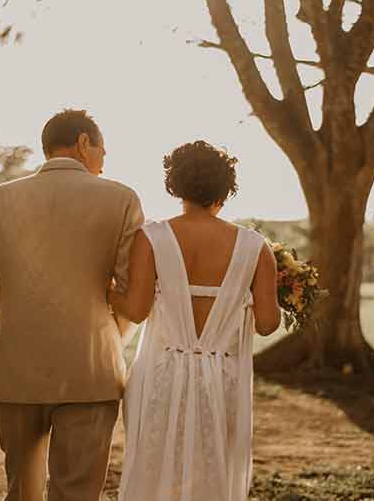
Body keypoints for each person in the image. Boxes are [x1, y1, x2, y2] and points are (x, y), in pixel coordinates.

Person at [0, 109, 144, 501]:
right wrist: (108, 338)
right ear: (84, 143)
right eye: (103, 150)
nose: (104, 163)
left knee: (21, 492)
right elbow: (129, 291)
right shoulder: (122, 199)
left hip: (16, 373)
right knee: (77, 494)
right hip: (91, 371)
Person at [109, 140, 281, 501]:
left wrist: (105, 288)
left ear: (176, 185)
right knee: (210, 475)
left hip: (161, 373)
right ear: (225, 188)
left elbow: (136, 311)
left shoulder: (152, 237)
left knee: (157, 472)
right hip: (222, 378)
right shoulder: (256, 247)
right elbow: (267, 323)